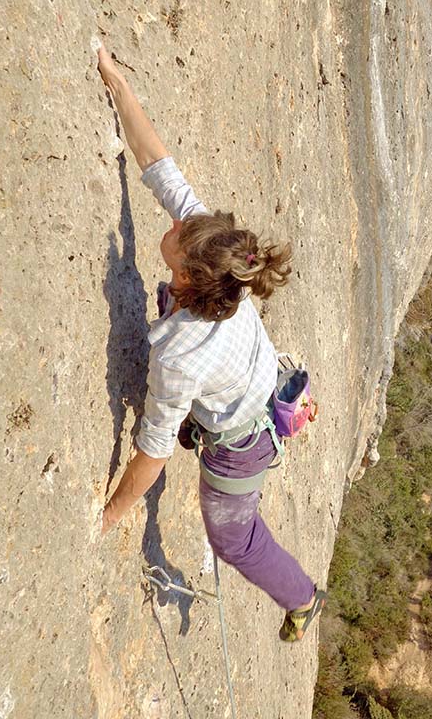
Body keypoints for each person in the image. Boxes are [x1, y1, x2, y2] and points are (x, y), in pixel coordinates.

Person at [96, 42, 326, 641]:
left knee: (233, 539)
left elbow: (152, 449)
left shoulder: (179, 352)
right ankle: (210, 417)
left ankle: (302, 598)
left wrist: (113, 513)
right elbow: (160, 169)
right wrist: (118, 85)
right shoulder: (220, 261)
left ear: (192, 279)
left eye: (180, 232)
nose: (175, 223)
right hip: (252, 382)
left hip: (242, 444)